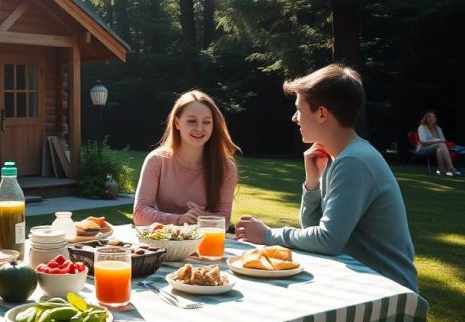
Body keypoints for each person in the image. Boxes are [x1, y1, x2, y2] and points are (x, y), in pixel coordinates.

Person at [235, 64, 418, 292]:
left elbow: (328, 241)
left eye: (299, 110)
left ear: (321, 113)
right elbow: (313, 230)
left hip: (389, 293)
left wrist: (269, 235)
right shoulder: (338, 157)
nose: (294, 118)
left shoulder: (354, 161)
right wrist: (312, 184)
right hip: (362, 285)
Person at [134, 90, 239, 227]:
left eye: (206, 122)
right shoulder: (156, 161)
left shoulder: (226, 168)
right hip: (162, 243)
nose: (200, 128)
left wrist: (201, 218)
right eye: (191, 121)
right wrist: (179, 220)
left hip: (204, 244)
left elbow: (224, 221)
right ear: (177, 123)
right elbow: (140, 214)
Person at [416, 111, 463, 177]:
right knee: (441, 144)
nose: (432, 119)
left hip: (435, 148)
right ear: (426, 119)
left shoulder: (438, 128)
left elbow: (443, 140)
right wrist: (436, 140)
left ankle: (442, 170)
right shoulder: (422, 127)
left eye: (433, 117)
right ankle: (451, 168)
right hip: (423, 148)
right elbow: (423, 142)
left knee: (439, 149)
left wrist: (438, 141)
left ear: (435, 119)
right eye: (429, 117)